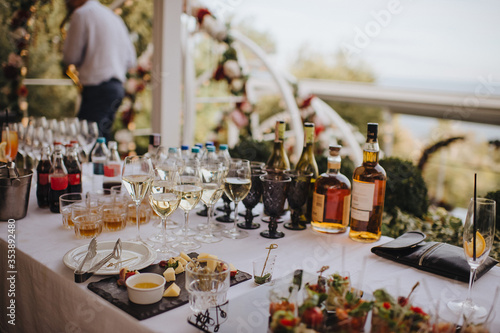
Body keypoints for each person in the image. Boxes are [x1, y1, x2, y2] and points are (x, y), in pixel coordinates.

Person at [62, 0, 136, 142]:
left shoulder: (81, 14)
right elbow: (131, 60)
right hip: (116, 88)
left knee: (87, 142)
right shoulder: (114, 17)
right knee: (100, 141)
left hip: (97, 89)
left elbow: (70, 56)